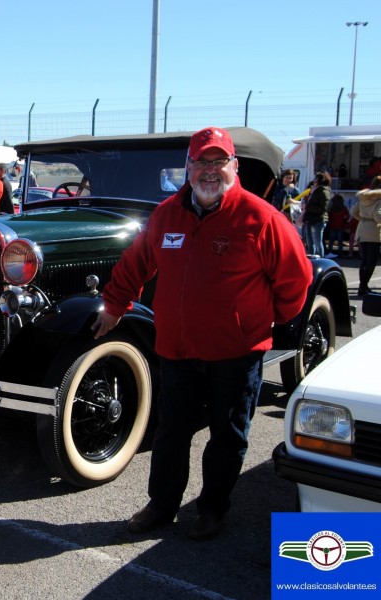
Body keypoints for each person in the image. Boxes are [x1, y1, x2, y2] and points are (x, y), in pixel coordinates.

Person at [92, 127, 312, 540]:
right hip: (176, 349)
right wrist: (113, 308)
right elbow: (136, 264)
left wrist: (262, 322)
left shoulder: (261, 217)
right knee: (171, 431)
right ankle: (161, 506)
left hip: (236, 351)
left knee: (227, 435)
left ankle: (212, 509)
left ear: (234, 166)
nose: (210, 171)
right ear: (188, 167)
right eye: (201, 163)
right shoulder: (167, 214)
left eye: (218, 162)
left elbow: (294, 281)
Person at [354, 176, 381, 296]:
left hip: (362, 229)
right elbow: (378, 216)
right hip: (374, 231)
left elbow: (353, 211)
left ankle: (362, 286)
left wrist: (363, 218)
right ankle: (364, 286)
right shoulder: (379, 200)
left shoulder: (363, 198)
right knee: (371, 261)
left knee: (364, 260)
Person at [302, 171, 331, 257]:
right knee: (310, 242)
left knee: (318, 242)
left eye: (315, 179)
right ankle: (311, 260)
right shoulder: (314, 190)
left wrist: (307, 207)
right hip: (310, 218)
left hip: (318, 220)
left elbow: (323, 208)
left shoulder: (323, 191)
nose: (314, 181)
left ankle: (320, 260)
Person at [325, 193, 349, 258]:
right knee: (340, 241)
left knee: (331, 240)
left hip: (332, 225)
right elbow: (347, 216)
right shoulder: (343, 208)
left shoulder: (332, 208)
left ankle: (330, 251)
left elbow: (329, 216)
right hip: (341, 226)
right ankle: (340, 253)